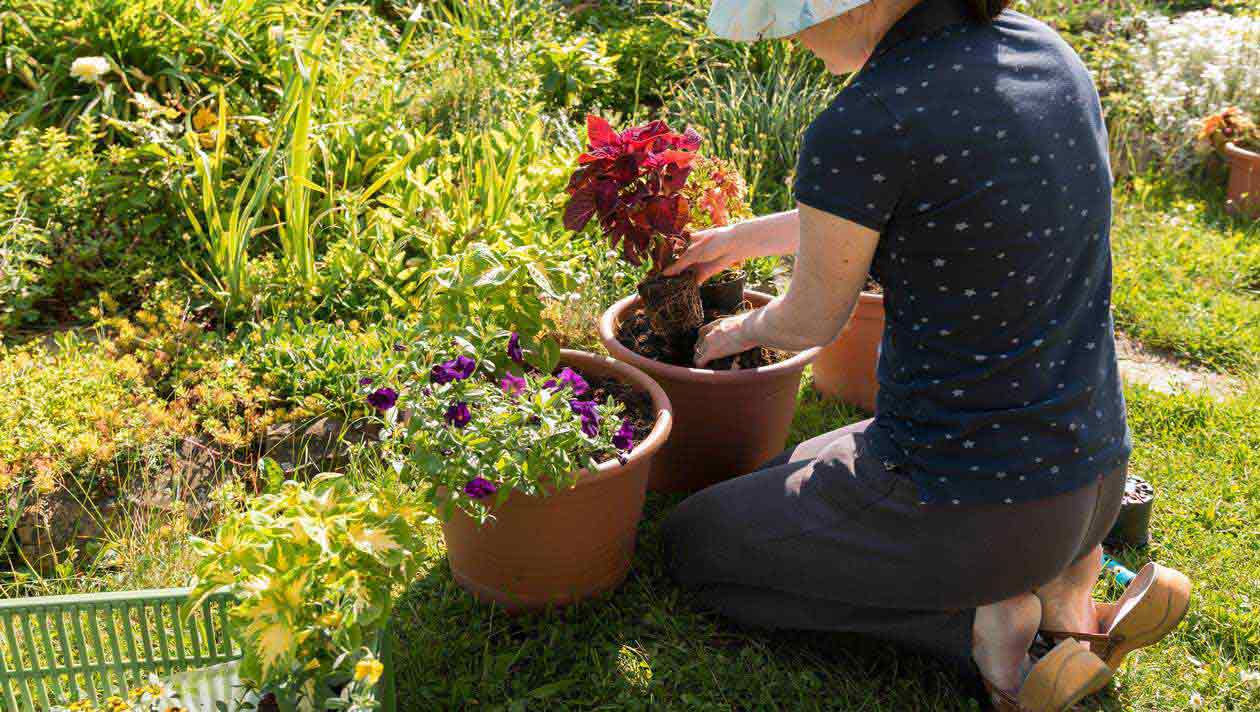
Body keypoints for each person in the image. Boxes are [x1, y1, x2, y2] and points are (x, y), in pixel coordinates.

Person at [661, 1, 1192, 709]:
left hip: (974, 501)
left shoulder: (869, 119)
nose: (788, 33)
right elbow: (915, 195)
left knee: (695, 545)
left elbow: (813, 317)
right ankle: (1068, 577)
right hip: (1091, 463)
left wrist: (733, 333)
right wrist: (742, 238)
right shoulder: (1041, 54)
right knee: (801, 462)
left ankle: (990, 625)